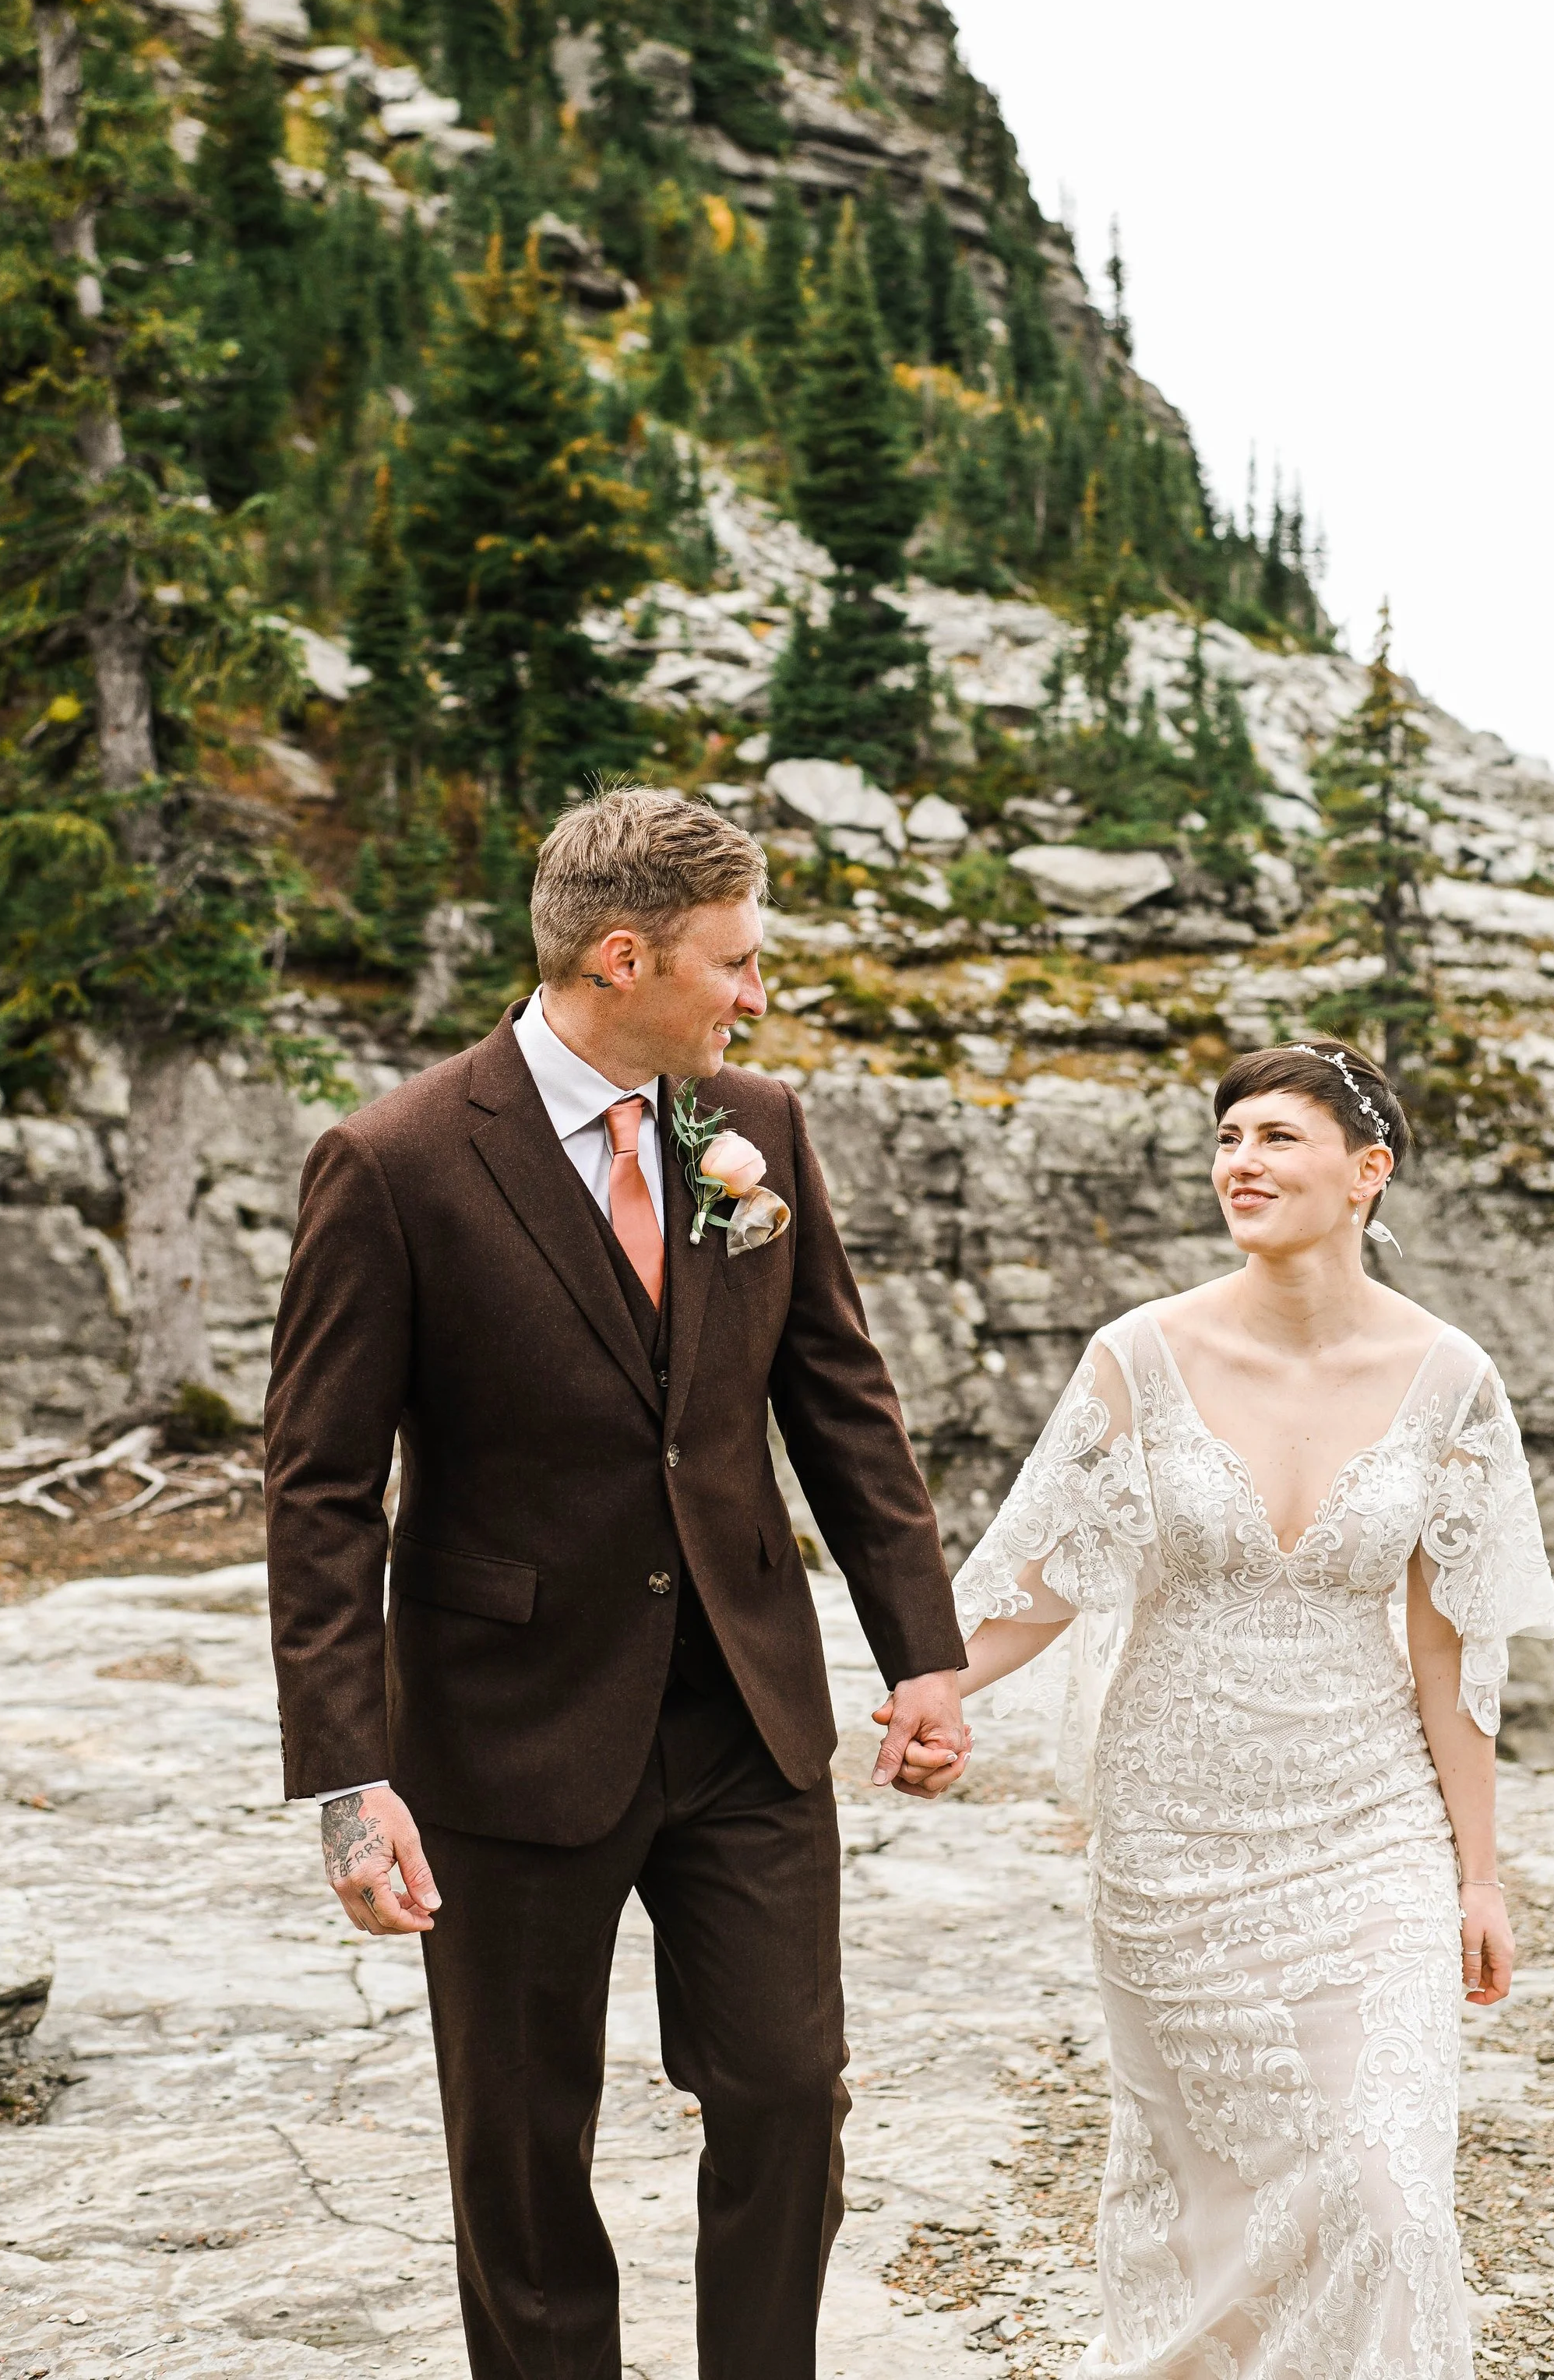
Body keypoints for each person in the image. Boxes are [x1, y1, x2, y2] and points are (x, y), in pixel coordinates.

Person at [261, 785, 971, 2380]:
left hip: (745, 1712)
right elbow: (316, 1490)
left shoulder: (757, 1131)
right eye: (731, 961)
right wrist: (345, 1779)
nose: (754, 992)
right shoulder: (394, 1163)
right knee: (521, 2150)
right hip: (503, 1735)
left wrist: (920, 1653)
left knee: (789, 2089)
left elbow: (836, 1398)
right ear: (621, 957)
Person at [953, 1039, 1554, 2378]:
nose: (1243, 1161)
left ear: (1367, 1171)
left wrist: (1480, 1875)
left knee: (1385, 2194)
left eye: (1279, 1137)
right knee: (1223, 2208)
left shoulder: (1453, 1378)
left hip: (1368, 1827)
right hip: (1175, 1841)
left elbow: (1453, 1644)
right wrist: (938, 1687)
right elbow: (1044, 1573)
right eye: (1229, 1138)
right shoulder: (1137, 1355)